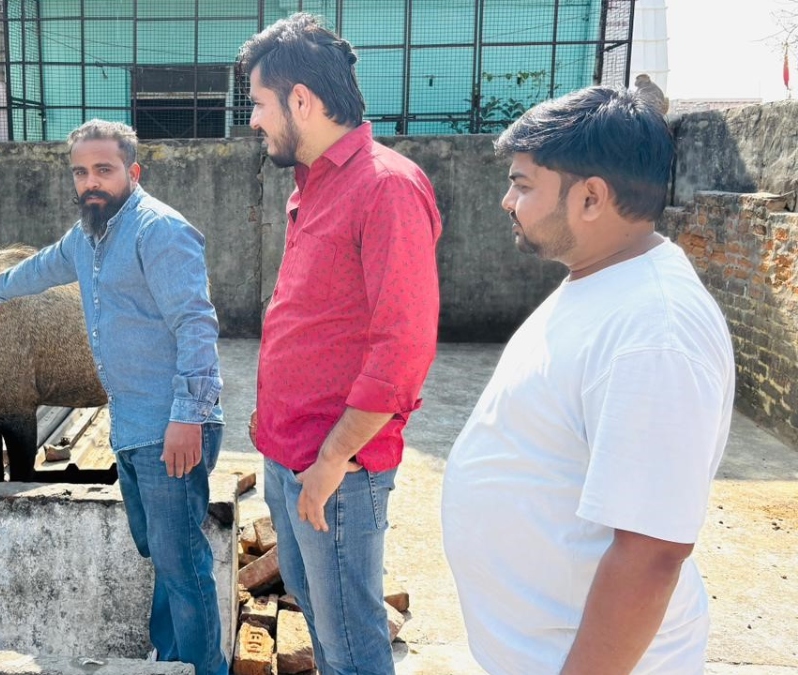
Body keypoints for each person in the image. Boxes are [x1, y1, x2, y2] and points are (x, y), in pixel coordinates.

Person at [441, 86, 734, 674]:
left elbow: (652, 553)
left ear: (592, 197)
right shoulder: (603, 281)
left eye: (523, 185)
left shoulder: (655, 331)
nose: (506, 200)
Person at [0, 119, 228, 675]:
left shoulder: (159, 231)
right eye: (81, 172)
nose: (91, 182)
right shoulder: (89, 236)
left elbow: (197, 325)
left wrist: (189, 417)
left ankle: (201, 668)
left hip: (172, 424)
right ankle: (170, 659)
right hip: (131, 424)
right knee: (159, 552)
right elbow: (45, 266)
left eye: (104, 169)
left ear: (133, 171)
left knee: (181, 561)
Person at [237, 13, 442, 675]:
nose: (254, 121)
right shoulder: (314, 186)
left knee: (352, 647)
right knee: (325, 633)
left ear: (301, 99)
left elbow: (402, 347)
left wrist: (331, 457)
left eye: (259, 104)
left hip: (339, 470)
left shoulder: (385, 188)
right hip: (290, 452)